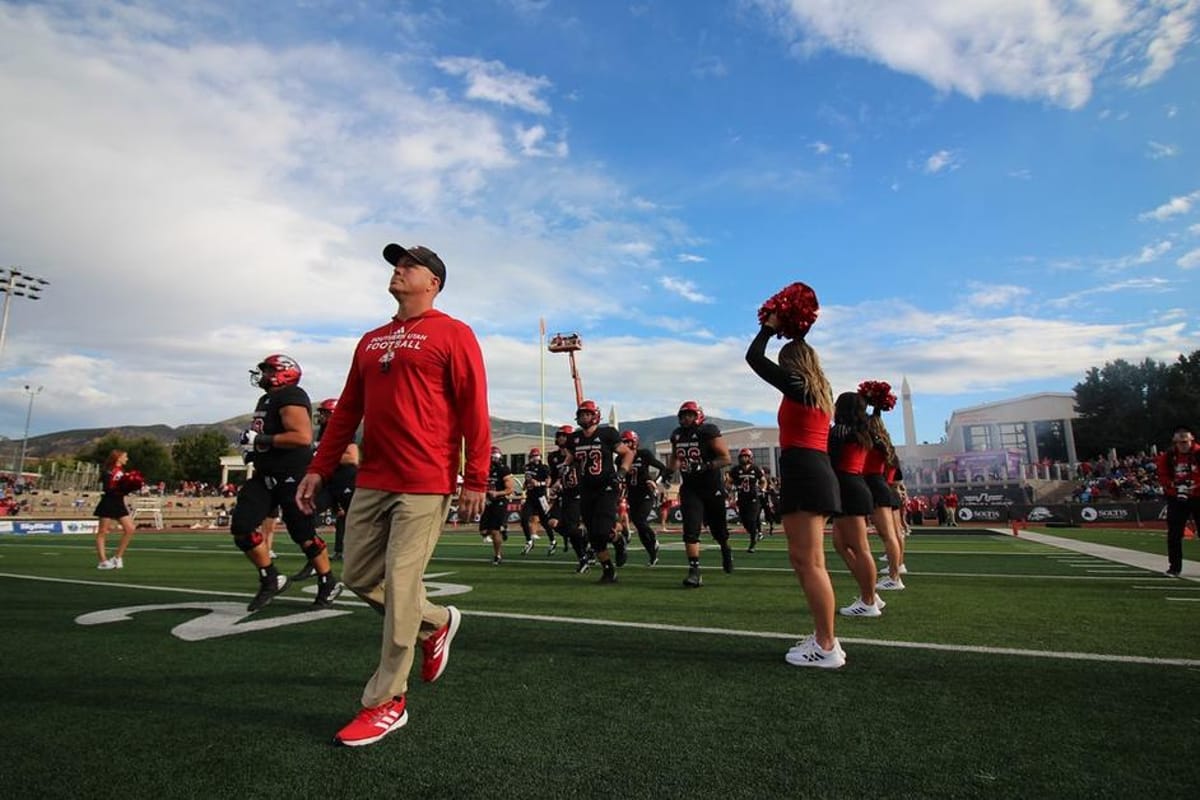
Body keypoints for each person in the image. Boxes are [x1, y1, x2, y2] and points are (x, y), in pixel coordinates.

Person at [297, 242, 489, 747]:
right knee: (360, 576)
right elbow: (346, 414)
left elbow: (475, 408)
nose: (399, 270)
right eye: (396, 264)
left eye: (409, 265)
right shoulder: (371, 340)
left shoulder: (453, 332)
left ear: (434, 282)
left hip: (426, 480)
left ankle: (386, 702)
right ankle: (438, 623)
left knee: (402, 585)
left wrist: (477, 478)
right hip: (374, 479)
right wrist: (318, 468)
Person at [745, 288, 844, 668]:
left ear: (794, 364)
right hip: (814, 470)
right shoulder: (818, 390)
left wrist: (770, 328)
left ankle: (827, 644)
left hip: (805, 471)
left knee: (810, 563)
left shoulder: (799, 387)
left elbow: (754, 358)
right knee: (808, 560)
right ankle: (824, 637)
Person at [230, 354, 342, 612]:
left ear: (285, 372)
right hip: (265, 474)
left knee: (302, 534)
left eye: (270, 370)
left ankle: (327, 580)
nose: (265, 375)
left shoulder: (292, 395)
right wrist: (254, 449)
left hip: (292, 475)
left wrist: (262, 440)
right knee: (242, 526)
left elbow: (301, 437)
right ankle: (271, 577)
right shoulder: (266, 398)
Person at [564, 399, 634, 583]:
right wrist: (564, 466)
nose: (584, 417)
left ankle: (618, 540)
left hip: (606, 487)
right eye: (581, 414)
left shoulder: (607, 434)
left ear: (595, 416)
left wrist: (622, 472)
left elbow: (628, 453)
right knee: (594, 536)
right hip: (586, 488)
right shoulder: (575, 438)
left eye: (587, 413)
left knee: (602, 530)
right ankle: (609, 571)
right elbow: (571, 457)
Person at [828, 392, 883, 617]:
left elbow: (830, 460)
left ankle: (869, 600)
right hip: (853, 486)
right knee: (840, 544)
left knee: (860, 548)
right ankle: (869, 592)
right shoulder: (863, 431)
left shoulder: (841, 431)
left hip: (848, 487)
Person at [668, 401, 733, 588]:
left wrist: (706, 465)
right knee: (690, 529)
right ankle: (694, 571)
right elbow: (674, 457)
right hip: (690, 488)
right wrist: (668, 471)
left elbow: (726, 458)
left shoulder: (708, 431)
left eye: (690, 414)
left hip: (711, 487)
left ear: (698, 415)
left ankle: (725, 548)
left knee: (718, 530)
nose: (687, 418)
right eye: (684, 415)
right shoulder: (677, 434)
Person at [1155, 425, 1200, 578]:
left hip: (1198, 495)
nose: (1183, 445)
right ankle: (1174, 567)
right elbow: (1162, 475)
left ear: (1191, 440)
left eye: (1186, 442)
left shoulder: (1198, 453)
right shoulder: (1167, 457)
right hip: (1176, 497)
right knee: (1174, 534)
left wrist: (1194, 485)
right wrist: (1173, 485)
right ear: (1175, 443)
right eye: (1180, 443)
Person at [619, 430, 669, 565]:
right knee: (639, 526)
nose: (626, 444)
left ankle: (653, 538)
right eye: (624, 442)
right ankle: (652, 556)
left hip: (646, 493)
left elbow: (662, 468)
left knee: (640, 521)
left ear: (635, 442)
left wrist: (655, 481)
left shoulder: (644, 454)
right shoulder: (620, 459)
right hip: (632, 494)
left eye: (628, 441)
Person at [546, 425, 588, 570]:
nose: (562, 438)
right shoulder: (553, 456)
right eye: (560, 435)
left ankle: (583, 557)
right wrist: (550, 487)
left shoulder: (579, 454)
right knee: (552, 522)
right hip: (562, 495)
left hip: (577, 494)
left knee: (571, 528)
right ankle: (582, 537)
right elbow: (553, 476)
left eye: (565, 435)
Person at [93, 450, 140, 569]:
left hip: (119, 502)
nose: (127, 459)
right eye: (125, 456)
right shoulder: (108, 471)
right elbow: (108, 488)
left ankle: (117, 557)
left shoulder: (122, 471)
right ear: (118, 458)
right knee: (103, 531)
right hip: (109, 501)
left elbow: (122, 488)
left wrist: (130, 486)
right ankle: (103, 561)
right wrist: (122, 486)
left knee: (130, 529)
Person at [728, 448, 766, 553]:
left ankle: (752, 543)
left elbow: (763, 481)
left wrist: (761, 489)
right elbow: (729, 482)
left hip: (753, 498)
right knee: (745, 522)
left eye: (746, 456)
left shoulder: (755, 469)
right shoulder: (735, 469)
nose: (744, 458)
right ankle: (756, 532)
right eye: (742, 457)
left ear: (750, 458)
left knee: (751, 519)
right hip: (742, 498)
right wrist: (731, 488)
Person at [519, 447, 555, 555]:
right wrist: (525, 485)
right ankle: (529, 541)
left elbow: (548, 483)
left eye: (536, 456)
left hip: (541, 497)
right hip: (530, 497)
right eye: (533, 456)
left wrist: (538, 483)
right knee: (524, 519)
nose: (535, 458)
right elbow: (527, 480)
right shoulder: (527, 467)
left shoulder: (544, 468)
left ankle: (553, 541)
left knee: (545, 521)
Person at [481, 447, 515, 565]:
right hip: (488, 501)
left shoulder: (503, 469)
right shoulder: (484, 468)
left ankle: (497, 555)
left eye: (494, 456)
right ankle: (503, 527)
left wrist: (497, 493)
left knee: (494, 531)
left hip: (499, 500)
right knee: (484, 531)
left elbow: (510, 489)